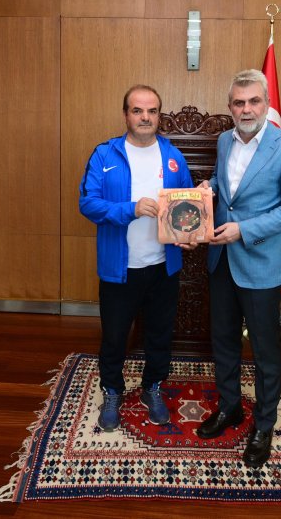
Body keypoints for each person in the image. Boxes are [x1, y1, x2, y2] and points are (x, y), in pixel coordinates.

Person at [196, 69, 281, 468]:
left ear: (267, 104)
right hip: (221, 260)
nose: (246, 109)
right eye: (238, 103)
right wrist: (208, 188)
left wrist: (244, 230)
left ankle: (264, 424)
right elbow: (226, 184)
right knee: (224, 340)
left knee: (264, 350)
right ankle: (230, 408)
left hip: (261, 260)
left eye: (254, 101)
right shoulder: (224, 140)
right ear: (230, 107)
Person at [79, 84, 194, 432]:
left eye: (152, 111)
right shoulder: (104, 154)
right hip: (120, 269)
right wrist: (130, 209)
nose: (145, 117)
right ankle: (113, 391)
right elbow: (88, 203)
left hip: (163, 267)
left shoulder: (173, 156)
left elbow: (186, 203)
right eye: (137, 110)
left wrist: (189, 232)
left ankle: (152, 387)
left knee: (159, 335)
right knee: (115, 337)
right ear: (126, 114)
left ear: (160, 115)